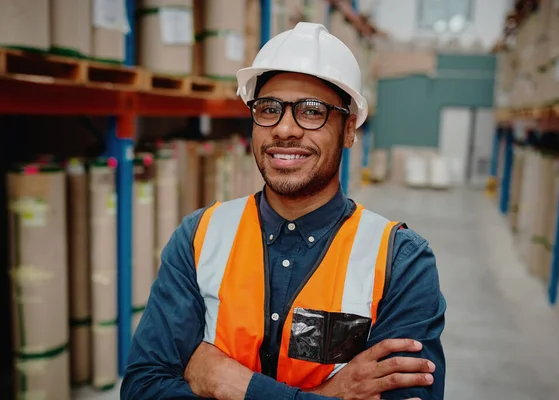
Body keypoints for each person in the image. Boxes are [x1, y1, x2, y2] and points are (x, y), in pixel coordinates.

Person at [121, 22, 446, 400]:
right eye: (269, 108)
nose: (284, 129)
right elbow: (144, 388)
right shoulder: (199, 237)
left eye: (311, 112)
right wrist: (328, 395)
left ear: (349, 129)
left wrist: (235, 385)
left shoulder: (400, 261)